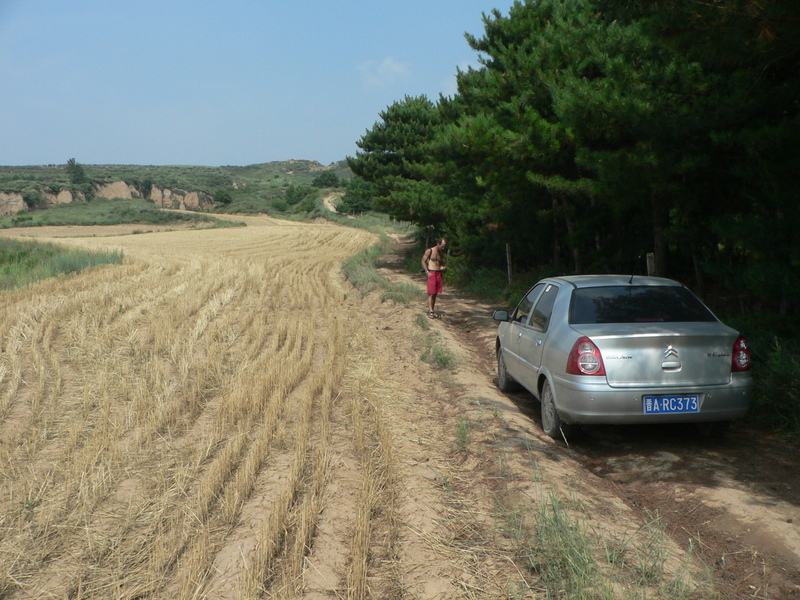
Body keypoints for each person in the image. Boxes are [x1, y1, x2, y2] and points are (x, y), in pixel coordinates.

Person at [421, 237, 447, 318]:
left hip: (438, 274)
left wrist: (442, 267)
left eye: (444, 246)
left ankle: (433, 310)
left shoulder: (441, 253)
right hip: (431, 272)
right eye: (442, 246)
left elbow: (440, 263)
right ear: (438, 244)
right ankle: (430, 311)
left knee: (435, 293)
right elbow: (423, 261)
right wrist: (427, 272)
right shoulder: (430, 250)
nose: (443, 247)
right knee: (431, 293)